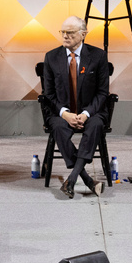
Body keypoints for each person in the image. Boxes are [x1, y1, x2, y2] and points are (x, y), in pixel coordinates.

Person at [42, 16, 109, 199]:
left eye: (70, 33)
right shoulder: (51, 57)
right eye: (63, 32)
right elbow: (48, 95)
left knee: (95, 125)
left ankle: (71, 180)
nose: (65, 36)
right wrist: (66, 115)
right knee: (57, 127)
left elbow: (103, 93)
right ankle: (86, 179)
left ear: (83, 34)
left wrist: (86, 114)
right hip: (61, 111)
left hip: (91, 111)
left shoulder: (98, 56)